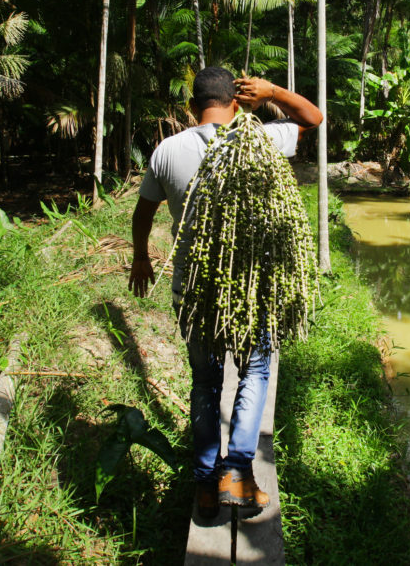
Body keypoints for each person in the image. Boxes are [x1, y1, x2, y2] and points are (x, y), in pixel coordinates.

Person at [128, 66, 322, 519]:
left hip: (194, 292)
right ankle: (237, 472)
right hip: (251, 292)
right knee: (254, 372)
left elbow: (143, 213)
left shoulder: (167, 149)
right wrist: (271, 92)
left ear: (191, 108)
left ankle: (204, 485)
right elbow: (313, 118)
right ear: (236, 103)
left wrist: (141, 256)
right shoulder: (261, 139)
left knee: (204, 381)